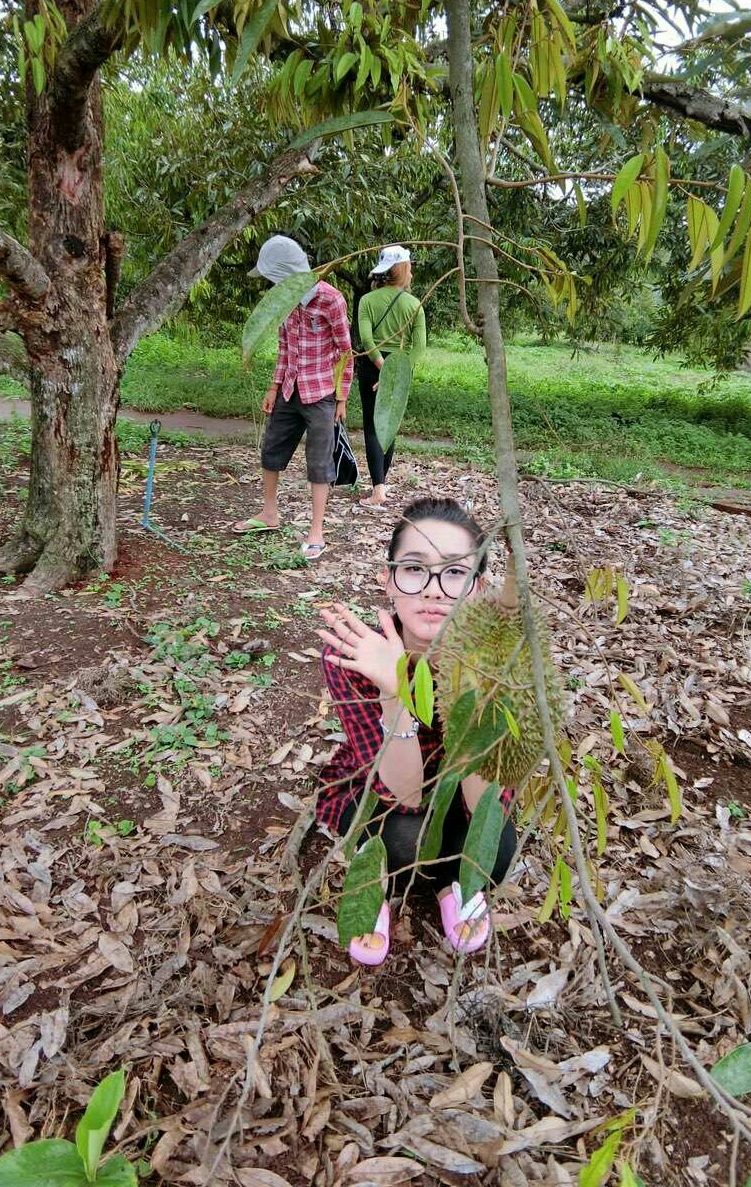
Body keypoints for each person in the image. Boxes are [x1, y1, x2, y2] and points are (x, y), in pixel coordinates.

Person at [317, 497, 516, 967]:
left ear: (478, 588)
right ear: (388, 578)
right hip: (384, 786)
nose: (433, 590)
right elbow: (405, 793)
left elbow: (480, 799)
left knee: (496, 849)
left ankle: (453, 887)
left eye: (454, 573)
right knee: (402, 840)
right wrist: (393, 688)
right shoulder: (356, 654)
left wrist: (470, 693)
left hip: (466, 784)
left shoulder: (499, 661)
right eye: (413, 569)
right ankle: (378, 882)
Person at [233, 235, 353, 560]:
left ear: (286, 274)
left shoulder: (331, 300)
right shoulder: (283, 302)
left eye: (273, 278)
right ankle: (269, 513)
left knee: (319, 462)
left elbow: (345, 351)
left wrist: (341, 397)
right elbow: (285, 348)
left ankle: (317, 531)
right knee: (271, 451)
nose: (271, 285)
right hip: (289, 389)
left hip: (321, 394)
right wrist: (273, 388)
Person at [355, 245, 427, 510]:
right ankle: (381, 483)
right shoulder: (414, 305)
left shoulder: (367, 300)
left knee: (373, 425)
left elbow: (365, 338)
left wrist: (381, 367)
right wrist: (398, 373)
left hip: (372, 366)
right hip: (400, 366)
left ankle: (378, 489)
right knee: (390, 423)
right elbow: (419, 346)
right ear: (405, 269)